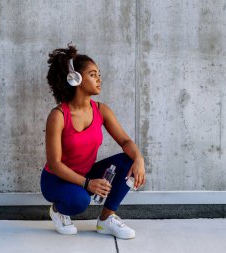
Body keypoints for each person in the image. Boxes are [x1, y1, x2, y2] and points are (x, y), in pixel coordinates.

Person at [40, 44, 146, 239]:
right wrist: (88, 183)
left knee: (128, 160)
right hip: (55, 179)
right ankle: (57, 210)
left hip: (85, 173)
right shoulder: (58, 116)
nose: (99, 79)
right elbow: (54, 164)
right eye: (92, 74)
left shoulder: (101, 110)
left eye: (99, 74)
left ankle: (106, 219)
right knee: (79, 202)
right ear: (75, 79)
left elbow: (125, 141)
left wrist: (139, 159)